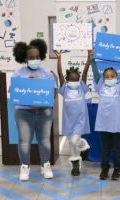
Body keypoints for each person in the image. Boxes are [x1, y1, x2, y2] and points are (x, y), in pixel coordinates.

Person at [12, 39, 57, 181]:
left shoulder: (47, 73)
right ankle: (24, 167)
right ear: (25, 58)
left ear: (41, 56)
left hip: (44, 112)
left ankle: (46, 165)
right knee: (24, 141)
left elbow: (53, 93)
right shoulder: (18, 74)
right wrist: (28, 81)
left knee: (44, 140)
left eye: (37, 57)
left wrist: (42, 97)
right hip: (23, 113)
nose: (35, 60)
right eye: (31, 57)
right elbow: (14, 92)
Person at [91, 59, 120, 180]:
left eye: (112, 76)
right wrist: (92, 60)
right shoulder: (100, 86)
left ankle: (117, 169)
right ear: (103, 78)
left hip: (116, 124)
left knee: (116, 148)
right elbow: (95, 73)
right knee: (105, 148)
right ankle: (104, 168)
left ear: (117, 77)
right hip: (103, 124)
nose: (109, 78)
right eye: (107, 76)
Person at [54, 50, 92, 176]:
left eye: (77, 78)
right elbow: (59, 73)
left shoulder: (82, 86)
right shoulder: (64, 88)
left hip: (80, 120)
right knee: (71, 143)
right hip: (68, 121)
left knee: (75, 141)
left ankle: (83, 144)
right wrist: (59, 58)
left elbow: (85, 71)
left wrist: (89, 57)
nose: (74, 80)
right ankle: (75, 166)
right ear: (67, 79)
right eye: (72, 79)